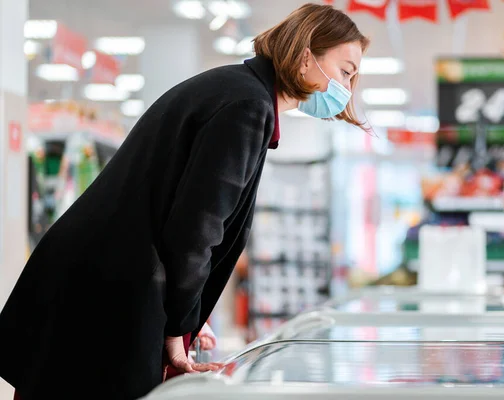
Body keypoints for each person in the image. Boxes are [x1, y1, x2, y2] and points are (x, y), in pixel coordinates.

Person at [0, 3, 369, 399]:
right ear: (304, 57)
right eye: (345, 71)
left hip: (98, 278)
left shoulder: (237, 89)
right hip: (107, 289)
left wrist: (190, 313)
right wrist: (178, 325)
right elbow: (197, 227)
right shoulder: (248, 105)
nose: (346, 88)